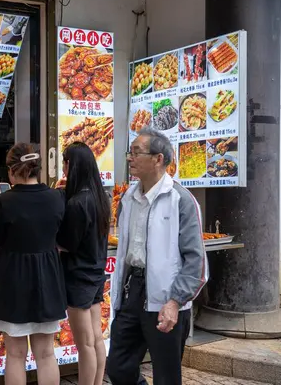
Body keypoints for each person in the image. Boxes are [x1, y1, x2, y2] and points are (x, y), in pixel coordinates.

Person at [107, 127, 208, 385]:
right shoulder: (128, 198)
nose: (130, 157)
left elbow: (196, 262)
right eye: (129, 152)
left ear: (158, 159)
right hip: (133, 292)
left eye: (136, 152)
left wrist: (175, 301)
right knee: (119, 367)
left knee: (166, 375)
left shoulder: (181, 200)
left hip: (166, 297)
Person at [0, 143, 67, 385]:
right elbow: (62, 237)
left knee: (16, 354)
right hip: (48, 278)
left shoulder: (3, 201)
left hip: (13, 279)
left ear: (12, 170)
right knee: (47, 353)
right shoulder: (57, 197)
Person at [56, 142, 110, 385]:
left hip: (78, 276)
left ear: (73, 165)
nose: (64, 167)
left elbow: (68, 243)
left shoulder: (77, 203)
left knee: (84, 343)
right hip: (96, 272)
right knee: (96, 339)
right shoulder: (100, 197)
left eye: (65, 162)